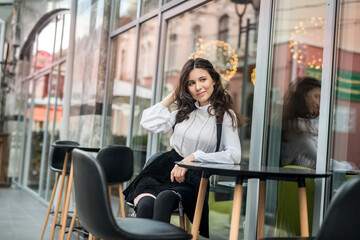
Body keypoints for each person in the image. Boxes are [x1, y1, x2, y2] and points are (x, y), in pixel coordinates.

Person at [123, 58, 244, 238]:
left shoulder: (224, 116)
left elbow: (234, 155)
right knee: (146, 204)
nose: (198, 87)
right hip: (162, 171)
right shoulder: (183, 112)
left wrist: (194, 157)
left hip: (193, 179)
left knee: (164, 198)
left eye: (203, 79)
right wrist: (173, 94)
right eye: (191, 83)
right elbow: (147, 122)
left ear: (214, 80)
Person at [280, 76, 321, 168]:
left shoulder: (303, 123)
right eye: (316, 96)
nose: (318, 103)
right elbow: (319, 158)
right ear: (303, 96)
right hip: (293, 178)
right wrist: (347, 166)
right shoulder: (296, 126)